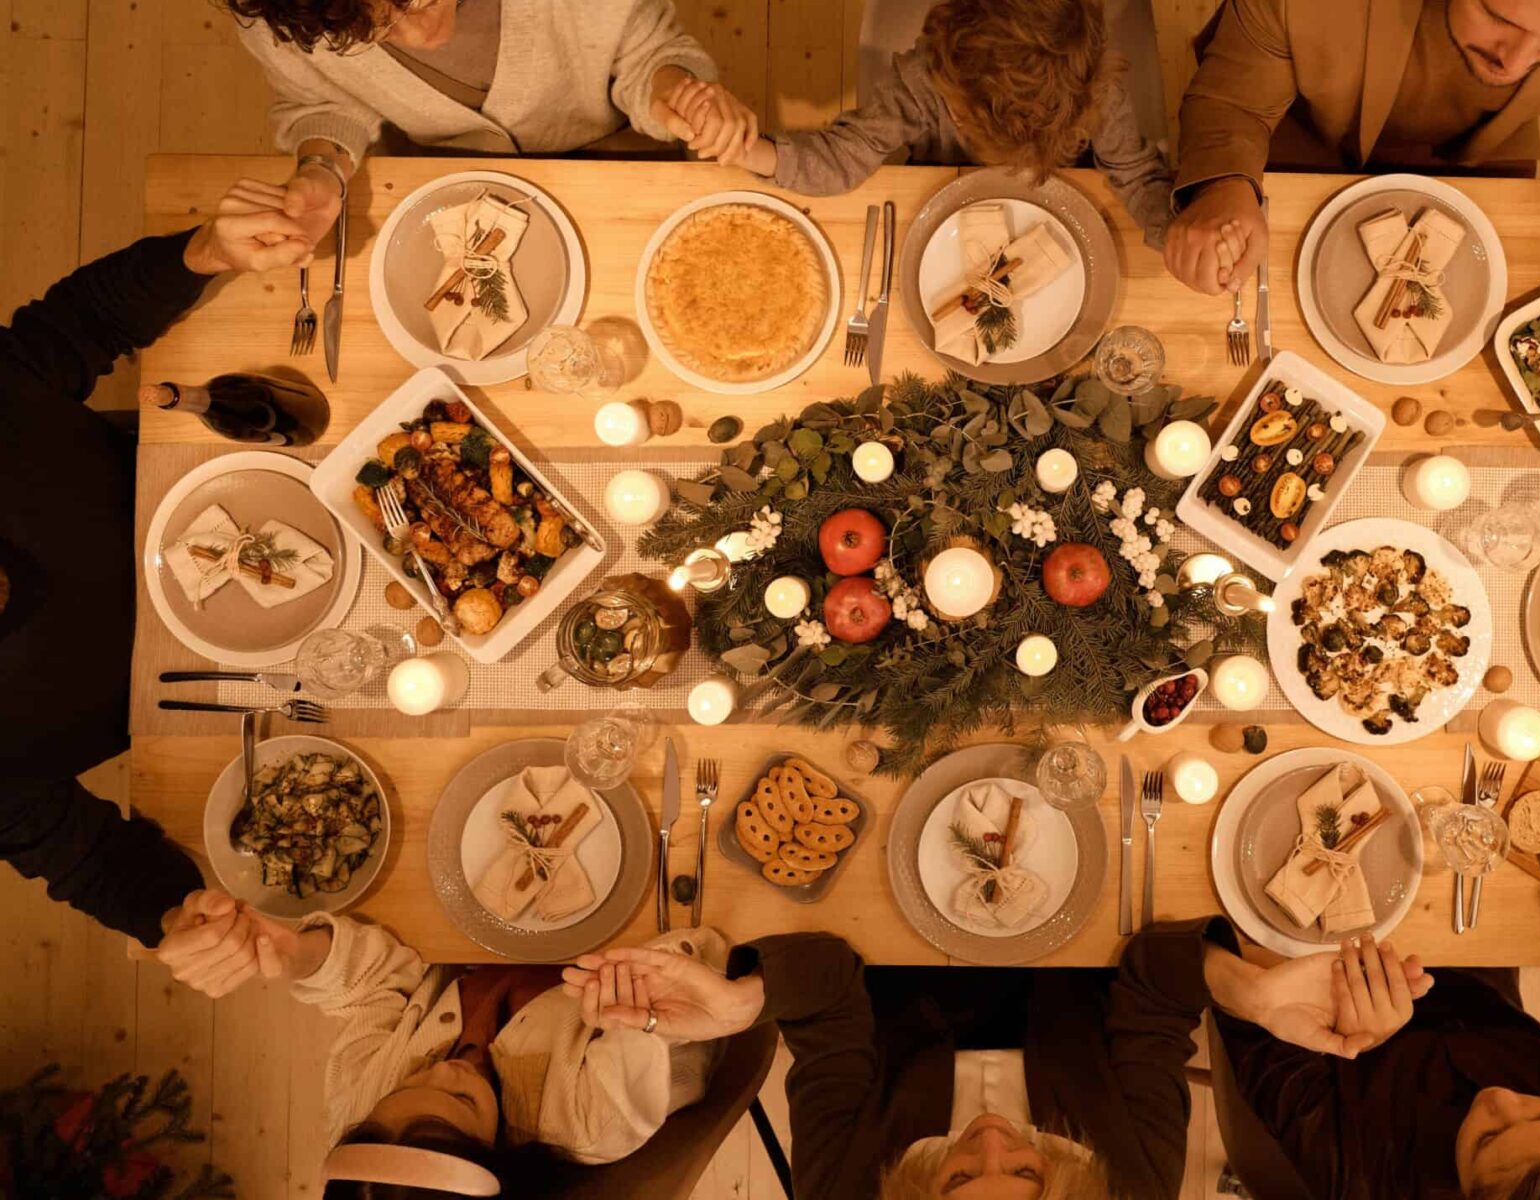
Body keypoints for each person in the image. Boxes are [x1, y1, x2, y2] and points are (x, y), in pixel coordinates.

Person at [0, 195, 313, 946]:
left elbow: (77, 326)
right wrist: (171, 914)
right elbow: (82, 859)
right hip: (258, 686)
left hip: (248, 468)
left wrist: (199, 251)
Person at [564, 926, 1278, 1198]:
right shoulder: (1130, 1187)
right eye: (1028, 1168)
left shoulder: (850, 1192)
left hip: (894, 966)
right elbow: (1155, 986)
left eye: (959, 1175)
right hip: (1077, 957)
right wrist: (1251, 992)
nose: (994, 1134)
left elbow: (832, 994)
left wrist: (740, 1007)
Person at [1136, 872, 1540, 1200]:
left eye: (1489, 1140)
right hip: (1473, 962)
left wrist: (1335, 1013)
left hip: (1309, 980)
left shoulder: (1360, 1180)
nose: (1500, 1098)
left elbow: (1232, 970)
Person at [1163, 0, 1540, 294]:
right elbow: (1233, 105)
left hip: (1483, 163)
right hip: (1294, 136)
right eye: (1498, 16)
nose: (1515, 62)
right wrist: (1222, 187)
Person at [155, 889, 728, 1192]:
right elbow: (699, 956)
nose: (444, 1070)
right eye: (462, 1100)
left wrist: (296, 958)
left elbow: (374, 987)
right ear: (497, 1150)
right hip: (636, 921)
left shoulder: (360, 1110)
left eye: (412, 1080)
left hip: (487, 931)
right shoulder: (595, 1119)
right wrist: (639, 996)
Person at [222, 0, 731, 250]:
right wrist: (321, 168)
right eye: (374, 27)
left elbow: (648, 54)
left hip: (618, 157)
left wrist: (672, 91)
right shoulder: (289, 19)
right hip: (444, 182)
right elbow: (321, 104)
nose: (421, 36)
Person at [665, 0, 1175, 247]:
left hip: (1069, 226)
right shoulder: (925, 74)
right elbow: (844, 156)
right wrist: (750, 151)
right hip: (939, 216)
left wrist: (1173, 232)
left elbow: (1137, 176)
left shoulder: (1098, 91)